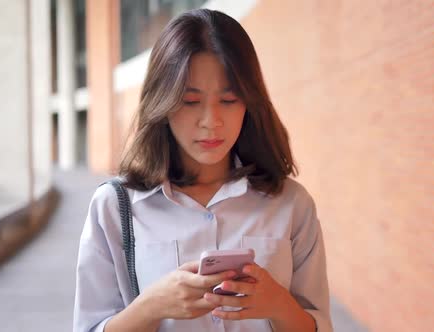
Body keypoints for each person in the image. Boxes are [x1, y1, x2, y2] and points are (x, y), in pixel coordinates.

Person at [73, 8, 332, 332]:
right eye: (190, 101)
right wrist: (151, 306)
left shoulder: (292, 204)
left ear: (250, 103)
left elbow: (319, 324)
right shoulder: (114, 206)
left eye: (229, 99)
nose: (211, 122)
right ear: (162, 103)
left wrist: (278, 304)